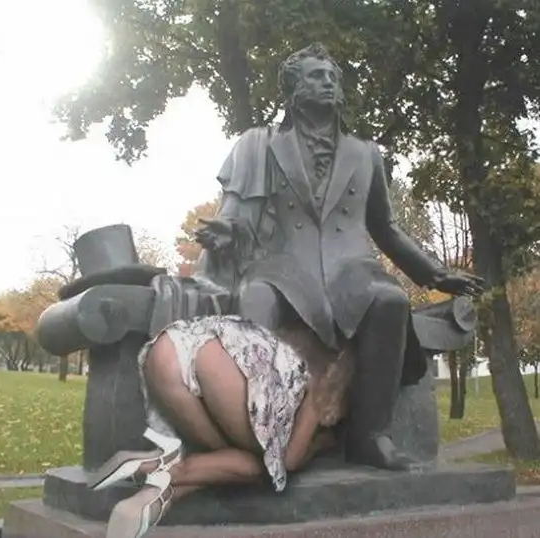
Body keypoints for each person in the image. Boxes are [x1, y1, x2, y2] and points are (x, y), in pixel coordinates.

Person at [194, 42, 484, 471]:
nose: (328, 83)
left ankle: (370, 436)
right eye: (316, 76)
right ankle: (259, 429)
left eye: (333, 77)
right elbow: (237, 213)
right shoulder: (260, 146)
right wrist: (225, 229)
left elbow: (386, 228)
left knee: (390, 300)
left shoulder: (365, 155)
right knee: (255, 297)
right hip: (283, 265)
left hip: (351, 268)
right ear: (293, 90)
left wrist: (436, 275)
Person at [88, 315, 348, 538]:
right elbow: (290, 460)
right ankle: (171, 471)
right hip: (220, 361)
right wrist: (322, 443)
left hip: (173, 345)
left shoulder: (274, 343)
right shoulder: (323, 379)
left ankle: (161, 485)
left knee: (238, 458)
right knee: (268, 468)